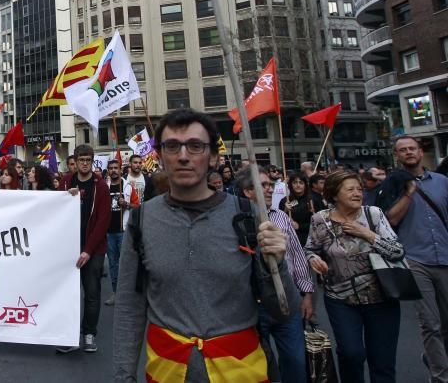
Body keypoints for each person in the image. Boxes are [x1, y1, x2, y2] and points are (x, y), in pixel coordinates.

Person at [112, 109, 296, 382]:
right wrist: (123, 376)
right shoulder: (142, 221)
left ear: (213, 157)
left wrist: (277, 265)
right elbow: (129, 306)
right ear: (160, 156)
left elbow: (284, 311)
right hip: (168, 372)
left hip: (240, 371)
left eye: (195, 146)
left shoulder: (250, 217)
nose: (183, 156)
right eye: (172, 146)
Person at [305, 170, 404, 383]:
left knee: (382, 361)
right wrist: (313, 259)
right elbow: (310, 249)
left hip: (381, 296)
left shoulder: (373, 214)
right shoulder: (319, 220)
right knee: (351, 353)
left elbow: (397, 251)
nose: (357, 193)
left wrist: (367, 234)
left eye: (359, 189)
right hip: (340, 298)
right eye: (350, 189)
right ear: (334, 194)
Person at [236, 168, 315, 383]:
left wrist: (306, 293)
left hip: (287, 301)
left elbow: (297, 256)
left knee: (296, 363)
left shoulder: (281, 217)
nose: (270, 189)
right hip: (253, 306)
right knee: (263, 365)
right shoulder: (235, 221)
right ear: (247, 191)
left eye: (270, 185)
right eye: (263, 185)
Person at [382, 135, 448, 383]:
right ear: (397, 156)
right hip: (415, 259)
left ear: (421, 153)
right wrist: (409, 193)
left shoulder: (442, 182)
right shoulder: (392, 184)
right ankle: (440, 376)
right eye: (403, 150)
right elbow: (391, 219)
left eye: (412, 148)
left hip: (444, 256)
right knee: (430, 323)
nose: (408, 152)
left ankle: (433, 358)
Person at [57, 144, 111, 354]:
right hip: (69, 248)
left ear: (92, 161)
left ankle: (89, 334)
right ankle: (69, 336)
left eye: (89, 160)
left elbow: (103, 221)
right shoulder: (65, 183)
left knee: (91, 293)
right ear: (75, 162)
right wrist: (64, 197)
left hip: (94, 249)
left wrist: (88, 250)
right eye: (81, 160)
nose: (85, 164)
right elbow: (52, 207)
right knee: (68, 294)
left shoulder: (101, 187)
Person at [104, 158, 126, 306]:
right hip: (109, 232)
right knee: (113, 264)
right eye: (111, 168)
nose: (113, 170)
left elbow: (137, 206)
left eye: (116, 168)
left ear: (120, 169)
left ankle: (126, 294)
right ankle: (116, 293)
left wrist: (127, 204)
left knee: (125, 264)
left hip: (123, 230)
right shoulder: (104, 186)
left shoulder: (127, 186)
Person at [281, 173, 315, 247]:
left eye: (301, 183)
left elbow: (318, 224)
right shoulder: (285, 201)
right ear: (290, 185)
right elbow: (279, 222)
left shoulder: (312, 200)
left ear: (305, 185)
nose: (298, 185)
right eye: (295, 182)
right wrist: (285, 210)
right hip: (290, 240)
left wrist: (300, 226)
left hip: (309, 240)